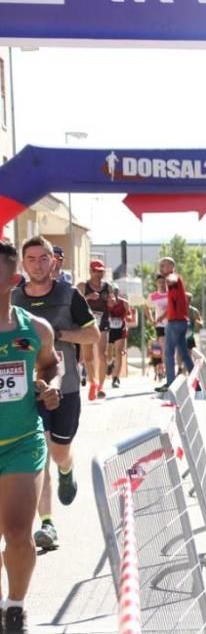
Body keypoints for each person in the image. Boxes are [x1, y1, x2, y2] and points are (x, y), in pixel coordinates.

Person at [14, 236, 99, 554]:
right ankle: (47, 523)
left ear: (53, 262)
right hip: (26, 391)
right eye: (31, 259)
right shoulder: (11, 299)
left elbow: (93, 335)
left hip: (66, 387)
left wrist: (55, 334)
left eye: (43, 258)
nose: (37, 264)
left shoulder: (69, 295)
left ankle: (68, 470)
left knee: (59, 451)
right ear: (23, 264)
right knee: (42, 451)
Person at [0, 238, 65, 633]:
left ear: (12, 279)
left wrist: (51, 385)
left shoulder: (35, 328)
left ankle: (14, 606)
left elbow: (51, 365)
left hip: (22, 441)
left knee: (19, 533)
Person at [155, 257, 195, 393]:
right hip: (181, 321)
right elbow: (173, 305)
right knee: (184, 354)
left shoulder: (173, 277)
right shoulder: (174, 284)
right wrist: (162, 316)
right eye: (160, 266)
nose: (161, 268)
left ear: (172, 266)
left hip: (175, 323)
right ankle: (197, 383)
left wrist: (168, 279)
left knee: (168, 353)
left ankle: (170, 383)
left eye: (164, 265)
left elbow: (172, 278)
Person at [77, 260, 111, 400]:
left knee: (102, 355)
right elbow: (75, 303)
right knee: (88, 356)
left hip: (102, 322)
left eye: (101, 271)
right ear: (90, 271)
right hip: (87, 324)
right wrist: (88, 297)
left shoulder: (107, 287)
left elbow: (111, 300)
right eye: (96, 271)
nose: (98, 274)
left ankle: (101, 386)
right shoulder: (82, 286)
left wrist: (112, 301)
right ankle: (93, 382)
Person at [104, 284, 132, 388]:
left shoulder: (124, 303)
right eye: (111, 291)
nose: (113, 293)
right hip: (109, 329)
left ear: (117, 292)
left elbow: (129, 314)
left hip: (120, 328)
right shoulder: (105, 303)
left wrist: (127, 318)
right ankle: (110, 363)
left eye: (115, 291)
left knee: (119, 352)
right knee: (108, 352)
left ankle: (115, 378)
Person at [147, 273, 169, 380]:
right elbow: (147, 308)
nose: (162, 284)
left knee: (170, 348)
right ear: (156, 283)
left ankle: (168, 367)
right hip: (160, 325)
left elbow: (171, 309)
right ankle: (164, 369)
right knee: (163, 347)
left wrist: (162, 316)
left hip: (171, 324)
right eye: (160, 282)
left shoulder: (170, 294)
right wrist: (152, 319)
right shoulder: (153, 296)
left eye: (164, 282)